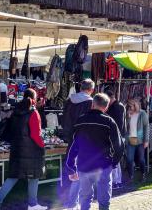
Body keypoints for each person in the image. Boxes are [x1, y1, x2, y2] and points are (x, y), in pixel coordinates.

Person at [66, 93, 124, 210]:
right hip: (103, 166)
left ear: (92, 104)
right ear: (106, 107)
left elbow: (73, 145)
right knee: (104, 200)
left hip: (84, 165)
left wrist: (70, 166)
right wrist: (113, 163)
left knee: (85, 198)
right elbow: (118, 146)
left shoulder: (80, 120)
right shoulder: (109, 122)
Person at [0, 89, 48, 210]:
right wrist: (42, 145)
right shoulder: (34, 113)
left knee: (13, 176)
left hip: (17, 148)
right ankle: (32, 204)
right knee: (34, 176)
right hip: (31, 150)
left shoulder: (15, 112)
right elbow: (35, 134)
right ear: (34, 98)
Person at [62, 79, 94, 209]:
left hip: (71, 139)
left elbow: (64, 120)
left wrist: (68, 136)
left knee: (70, 168)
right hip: (83, 140)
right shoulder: (90, 102)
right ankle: (73, 203)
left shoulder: (70, 100)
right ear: (91, 89)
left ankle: (68, 201)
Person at [124, 99, 149, 183]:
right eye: (129, 105)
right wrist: (128, 117)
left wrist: (146, 140)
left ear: (136, 105)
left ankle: (143, 174)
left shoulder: (142, 113)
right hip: (131, 138)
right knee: (129, 159)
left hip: (140, 139)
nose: (130, 107)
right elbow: (126, 126)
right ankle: (131, 176)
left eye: (131, 105)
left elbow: (146, 127)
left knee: (141, 159)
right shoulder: (128, 113)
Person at [105, 90, 126, 188]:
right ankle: (116, 181)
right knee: (115, 159)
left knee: (115, 160)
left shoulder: (117, 107)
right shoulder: (117, 106)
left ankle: (116, 181)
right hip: (117, 136)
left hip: (117, 136)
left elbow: (118, 124)